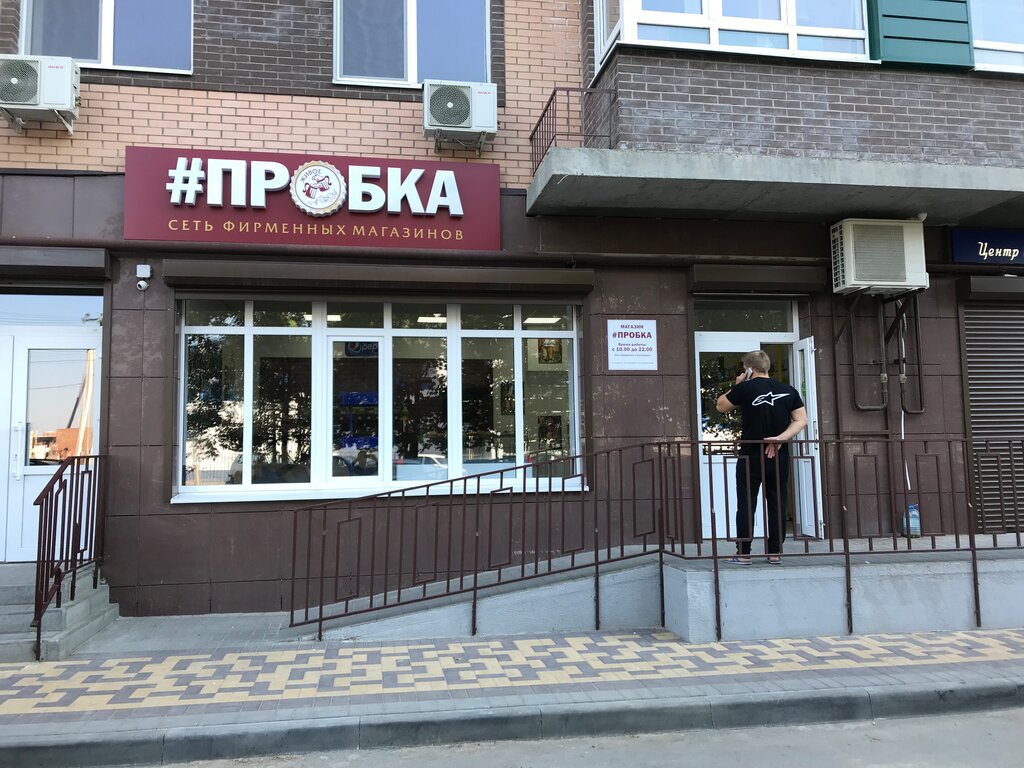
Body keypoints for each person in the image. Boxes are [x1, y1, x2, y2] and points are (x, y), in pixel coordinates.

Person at [715, 350, 807, 565]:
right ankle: (775, 552)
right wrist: (780, 438)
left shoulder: (744, 388)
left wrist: (737, 384)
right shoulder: (788, 390)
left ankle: (744, 553)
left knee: (746, 503)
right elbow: (801, 420)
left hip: (750, 456)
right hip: (779, 455)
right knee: (778, 502)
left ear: (749, 369)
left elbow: (720, 406)